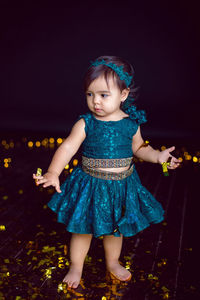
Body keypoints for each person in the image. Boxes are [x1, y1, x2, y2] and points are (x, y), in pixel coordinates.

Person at [33, 55, 180, 289]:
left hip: (121, 185)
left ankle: (113, 262)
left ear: (123, 95)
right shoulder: (86, 123)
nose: (95, 102)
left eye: (103, 95)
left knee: (115, 229)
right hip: (90, 183)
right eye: (90, 95)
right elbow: (68, 146)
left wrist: (158, 156)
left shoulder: (131, 123)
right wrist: (53, 172)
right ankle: (76, 266)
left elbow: (139, 148)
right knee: (82, 229)